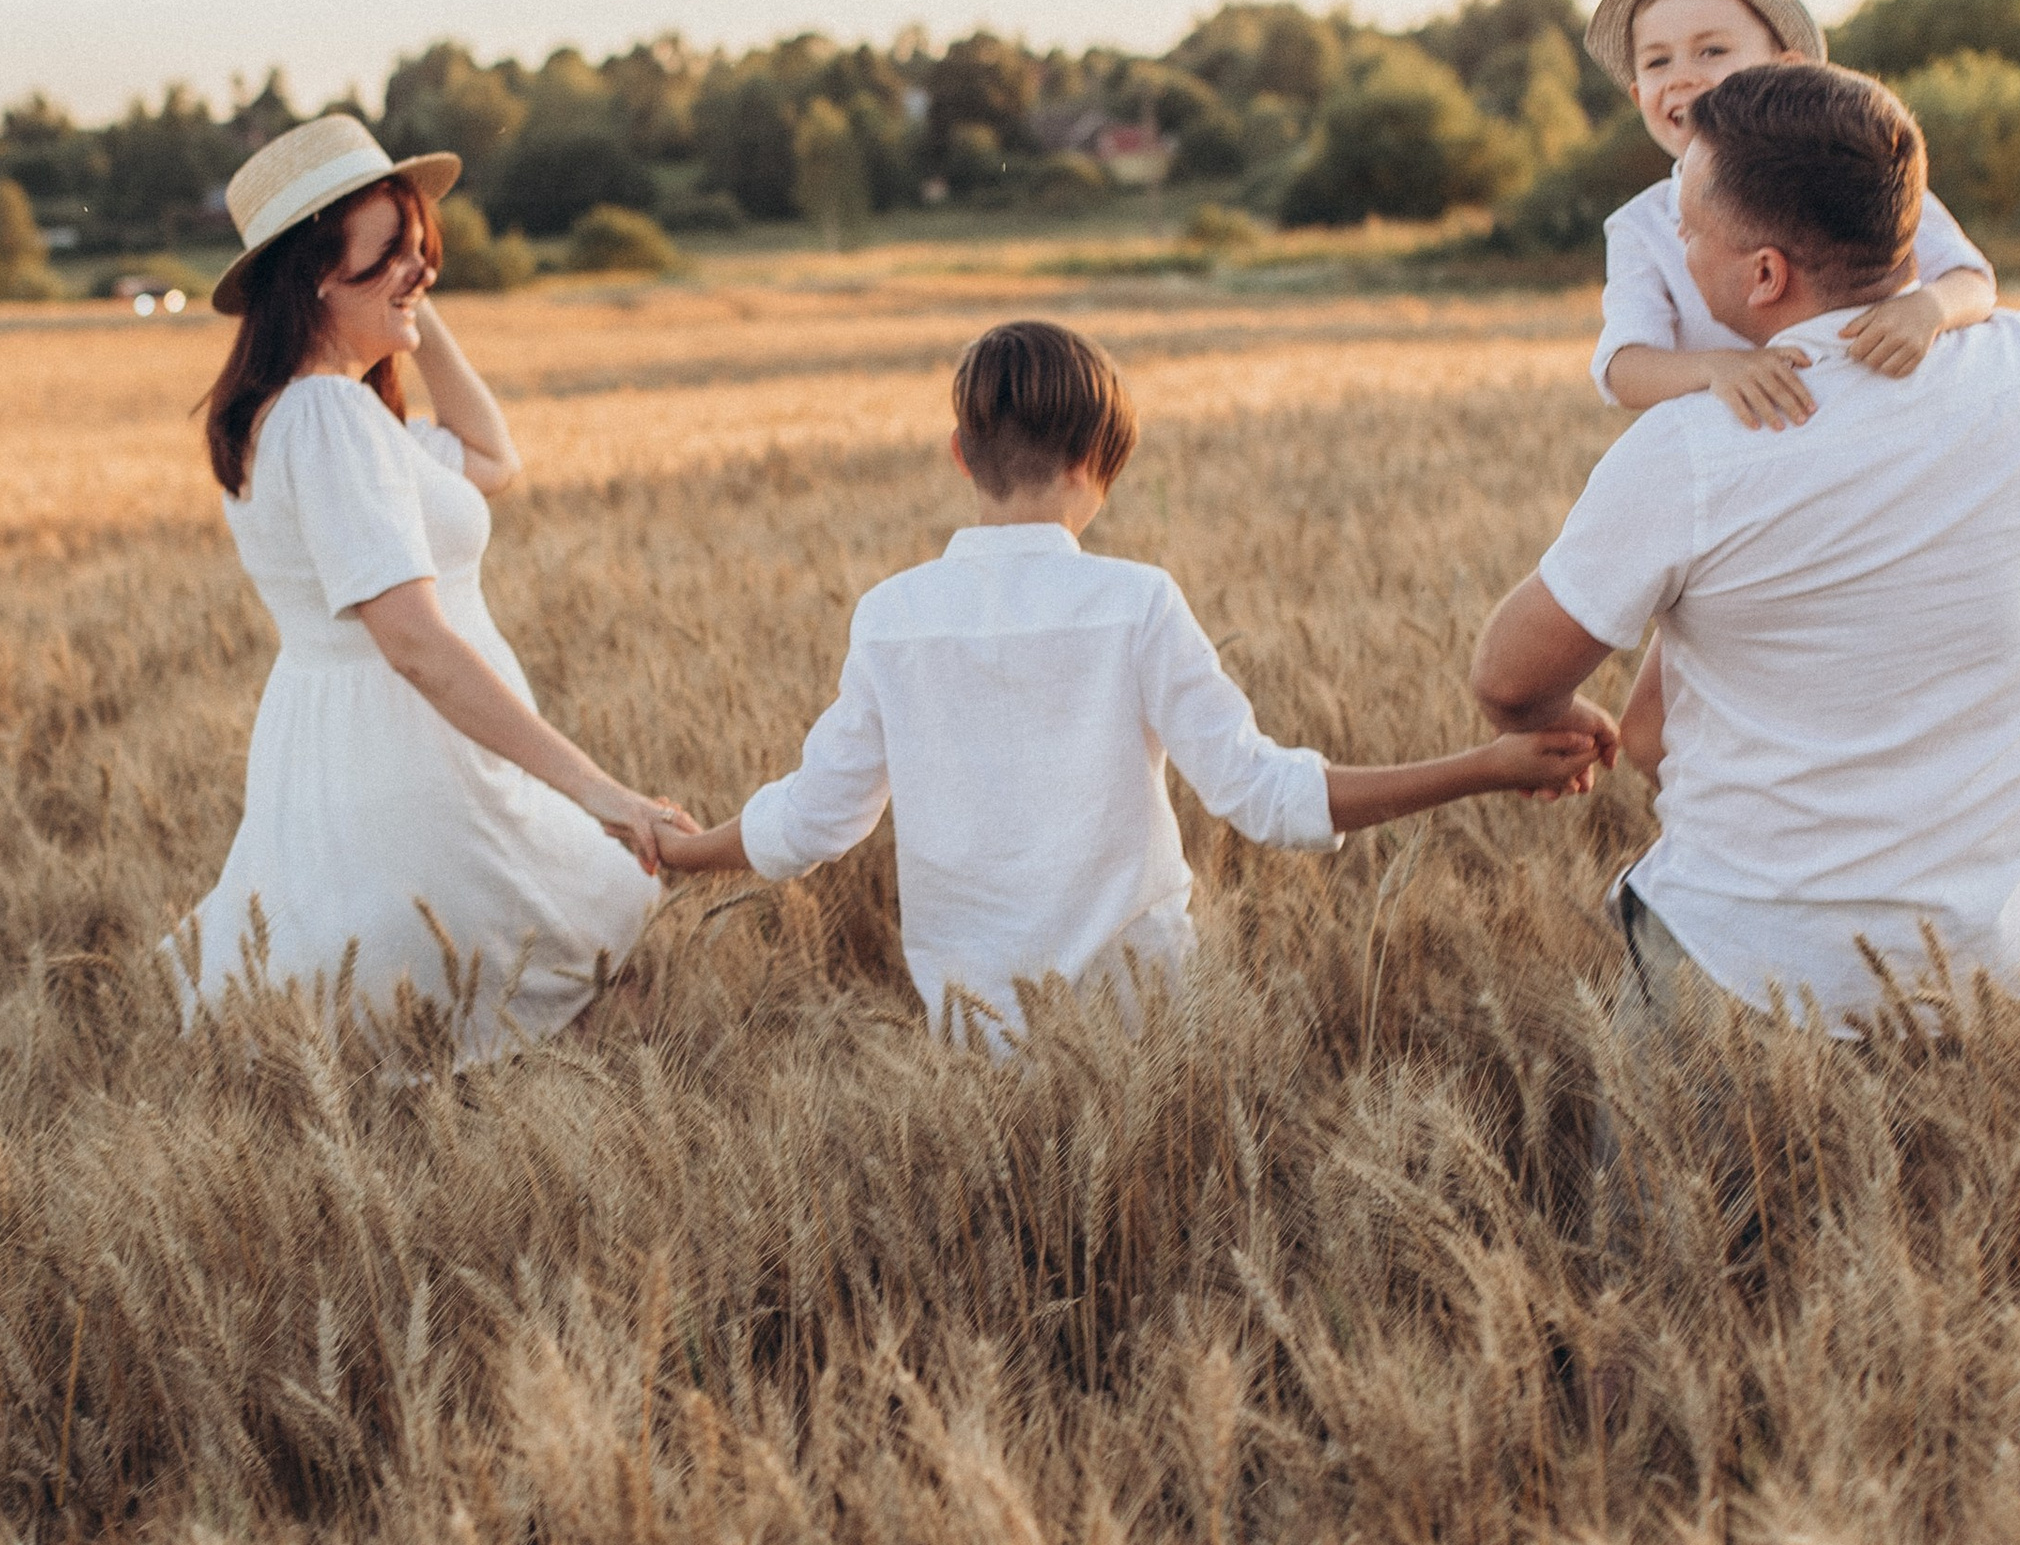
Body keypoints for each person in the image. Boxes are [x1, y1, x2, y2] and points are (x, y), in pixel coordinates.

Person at [656, 318, 1609, 1047]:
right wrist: (1485, 764)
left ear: (960, 456)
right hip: (1147, 1018)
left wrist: (687, 850)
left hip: (971, 1028)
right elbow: (1268, 801)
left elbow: (812, 822)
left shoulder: (891, 618)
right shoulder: (1135, 603)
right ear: (1096, 464)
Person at [1473, 60, 2020, 1038]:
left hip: (1738, 974)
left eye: (1688, 230)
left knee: (1665, 1198)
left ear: (1763, 272)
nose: (1676, 246)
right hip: (1977, 974)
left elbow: (1507, 680)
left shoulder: (1689, 448)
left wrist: (1577, 726)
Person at [169, 112, 683, 1058]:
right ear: (318, 274)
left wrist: (406, 297)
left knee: (481, 1019)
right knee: (573, 976)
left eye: (426, 250)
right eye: (396, 253)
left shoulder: (338, 415)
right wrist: (599, 793)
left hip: (377, 752)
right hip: (410, 760)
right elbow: (411, 640)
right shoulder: (325, 417)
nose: (426, 269)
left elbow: (491, 454)